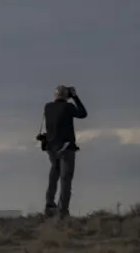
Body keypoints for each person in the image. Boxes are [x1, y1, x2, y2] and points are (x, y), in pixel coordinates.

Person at [43, 85, 88, 218]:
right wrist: (75, 97)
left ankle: (49, 204)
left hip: (51, 148)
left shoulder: (47, 107)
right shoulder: (68, 107)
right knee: (65, 179)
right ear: (66, 95)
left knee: (53, 176)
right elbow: (83, 113)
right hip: (66, 148)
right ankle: (62, 210)